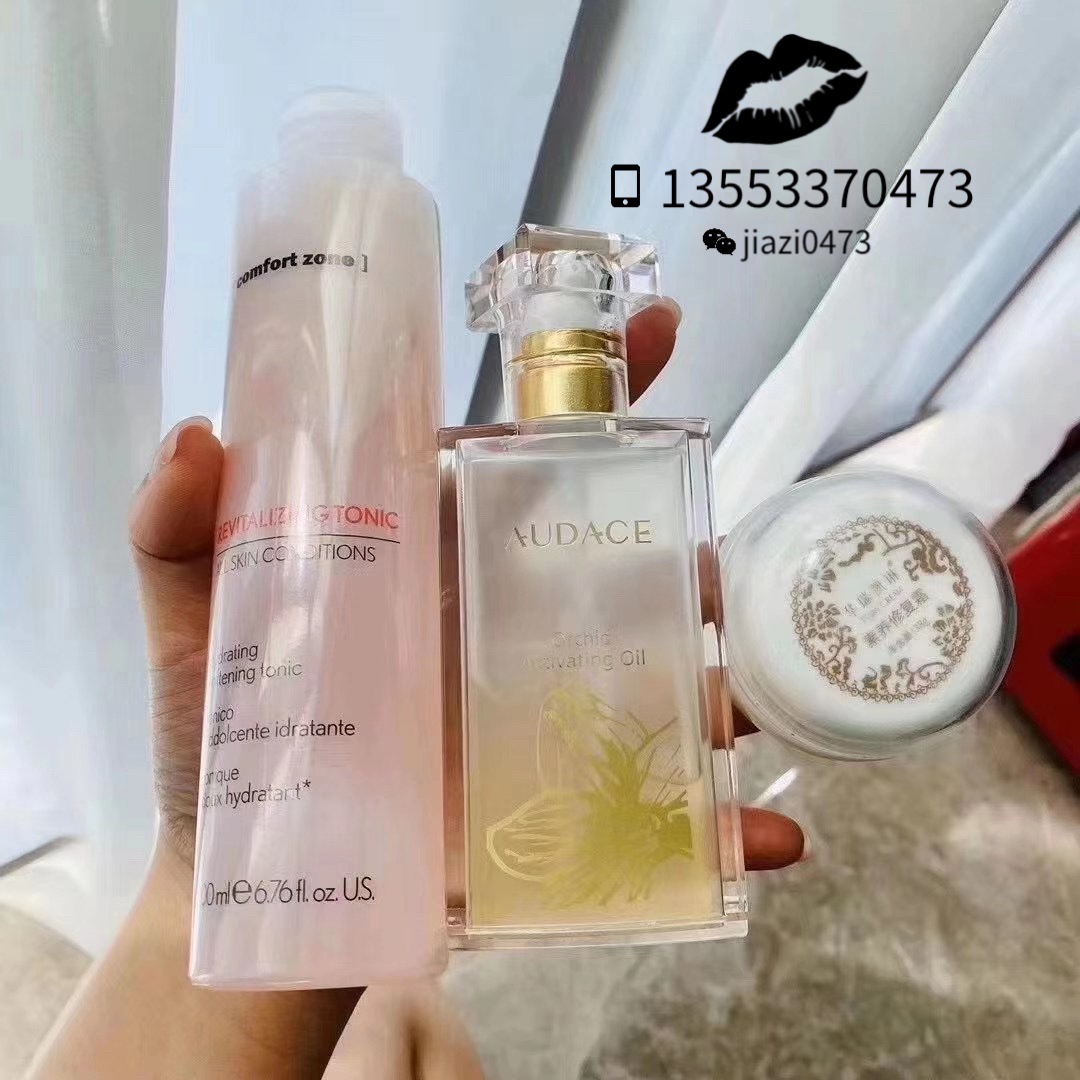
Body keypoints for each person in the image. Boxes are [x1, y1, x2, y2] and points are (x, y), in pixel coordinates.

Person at [31, 303, 804, 1079]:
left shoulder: (642, 456)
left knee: (394, 1020)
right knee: (399, 1023)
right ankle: (399, 992)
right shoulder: (499, 465)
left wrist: (226, 866)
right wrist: (243, 844)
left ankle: (396, 991)